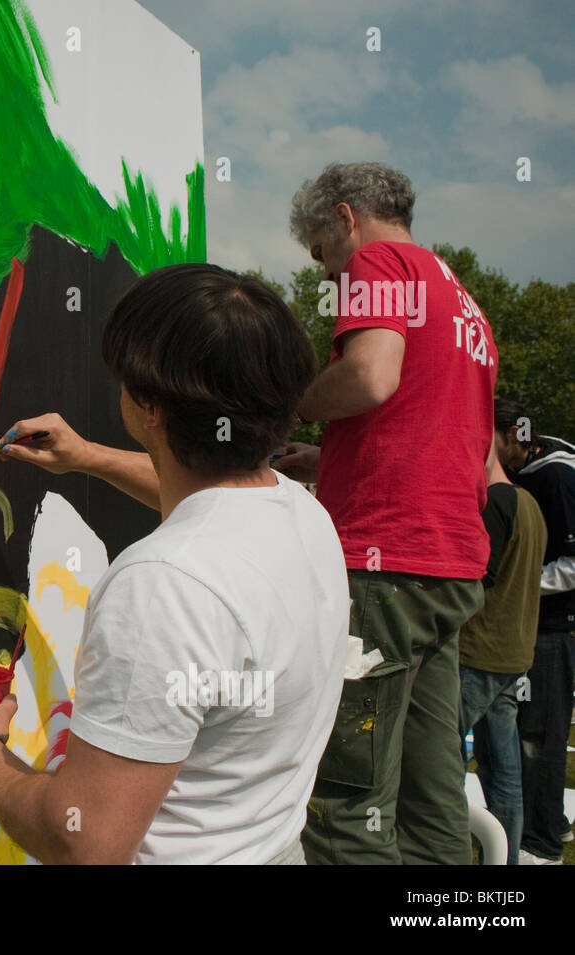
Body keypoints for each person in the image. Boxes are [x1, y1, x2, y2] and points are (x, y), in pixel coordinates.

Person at [0, 263, 348, 864]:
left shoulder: (162, 588)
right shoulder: (302, 515)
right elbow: (205, 503)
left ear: (148, 404)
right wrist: (88, 457)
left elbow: (86, 844)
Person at [275, 161, 497, 864]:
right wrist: (328, 458)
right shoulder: (460, 298)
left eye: (320, 254)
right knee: (433, 803)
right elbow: (461, 440)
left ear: (345, 218)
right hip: (445, 566)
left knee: (347, 801)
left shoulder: (380, 259)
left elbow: (371, 374)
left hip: (383, 565)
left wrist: (296, 405)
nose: (327, 275)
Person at [458, 398, 547, 865]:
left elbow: (478, 578)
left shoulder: (498, 501)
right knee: (503, 773)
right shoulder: (529, 503)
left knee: (445, 764)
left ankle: (444, 853)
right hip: (513, 656)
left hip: (477, 654)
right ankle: (505, 860)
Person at [497, 413, 575, 863]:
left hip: (552, 628)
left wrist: (521, 581)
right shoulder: (529, 472)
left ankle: (541, 844)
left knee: (539, 738)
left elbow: (571, 563)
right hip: (535, 624)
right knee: (534, 733)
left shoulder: (556, 477)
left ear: (514, 435)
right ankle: (552, 822)